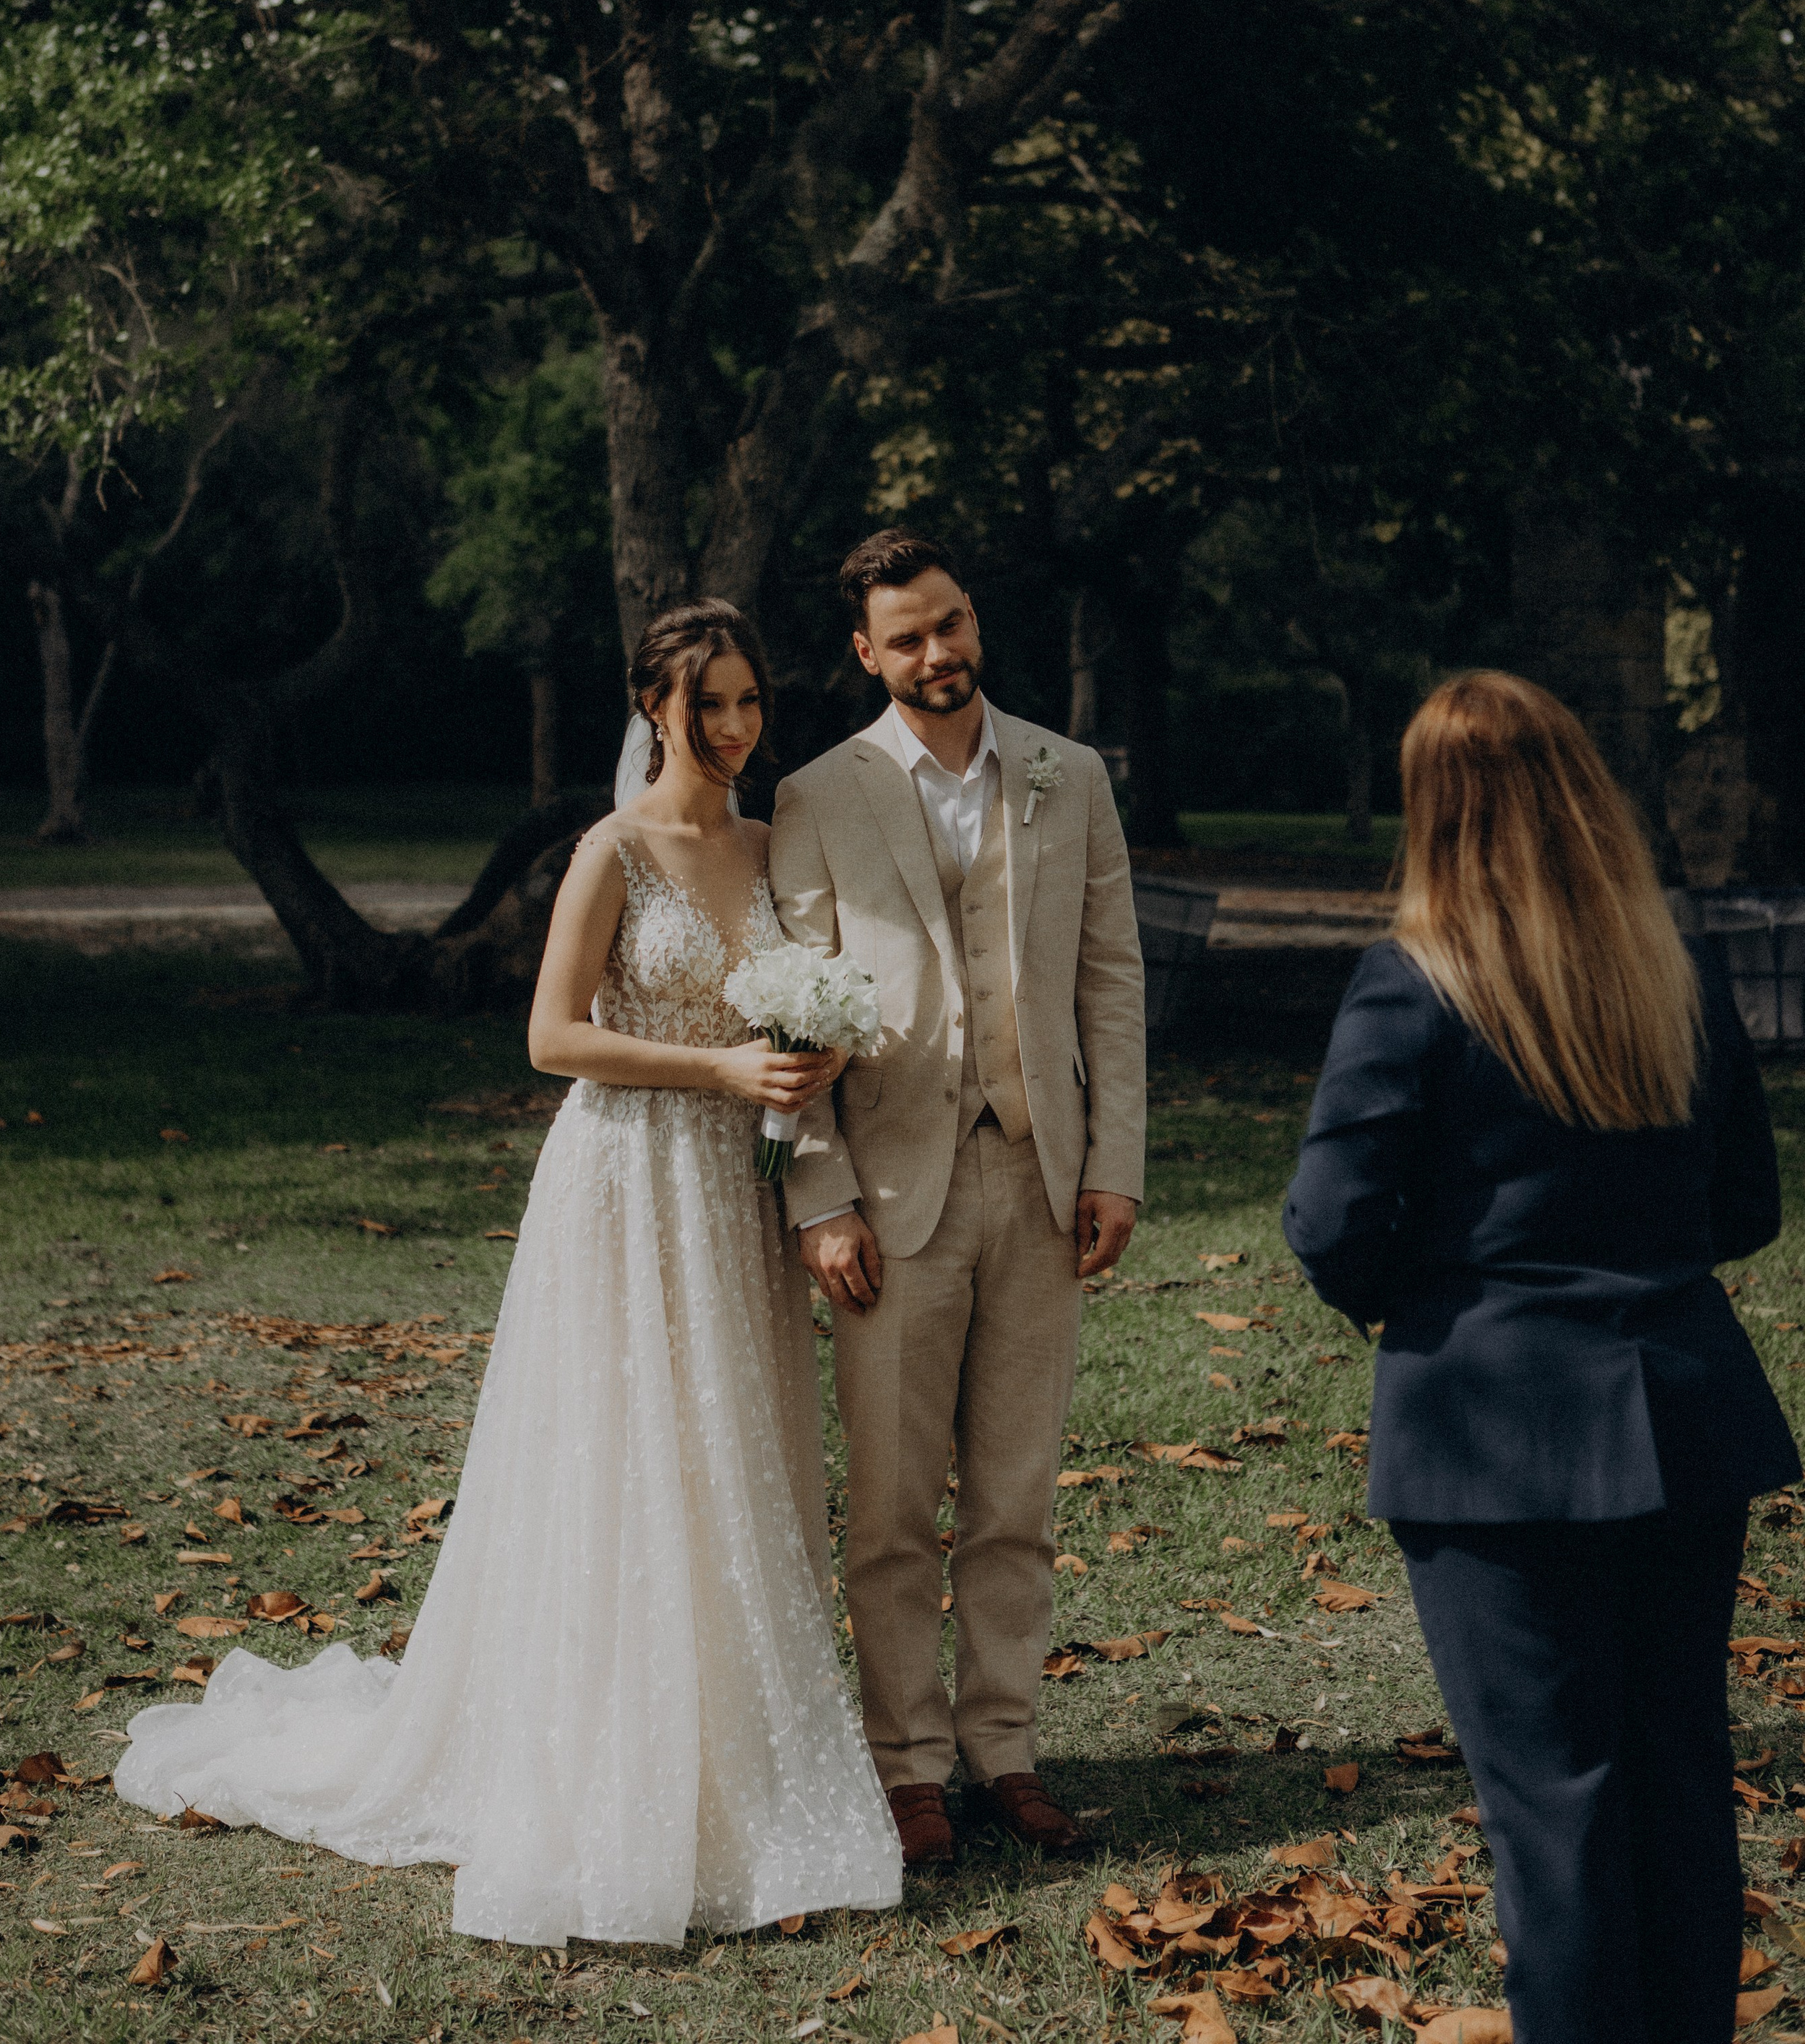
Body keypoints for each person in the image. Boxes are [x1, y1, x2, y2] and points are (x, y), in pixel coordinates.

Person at [116, 600, 902, 1949]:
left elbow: (793, 1000)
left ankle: (735, 1758)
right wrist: (717, 1065)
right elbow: (549, 1037)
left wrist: (804, 1062)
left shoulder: (778, 849)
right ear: (653, 708)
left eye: (750, 702)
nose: (733, 728)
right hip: (625, 1181)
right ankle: (608, 1765)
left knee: (736, 1461)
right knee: (629, 1463)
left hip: (735, 1191)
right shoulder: (611, 850)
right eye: (707, 703)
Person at [1283, 670, 1798, 2044]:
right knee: (1679, 1782)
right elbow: (1748, 1203)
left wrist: (1444, 1305)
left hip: (1491, 1435)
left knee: (1553, 1808)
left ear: (1434, 811)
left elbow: (1331, 1225)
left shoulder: (1413, 984)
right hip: (1684, 1415)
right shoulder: (1667, 963)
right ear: (1584, 791)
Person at [770, 529, 1148, 1869]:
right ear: (867, 656)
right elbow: (793, 1010)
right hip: (888, 1190)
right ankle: (906, 1766)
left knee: (1015, 1494)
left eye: (954, 623)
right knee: (888, 1504)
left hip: (1042, 1182)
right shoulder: (819, 794)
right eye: (909, 637)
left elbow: (1110, 978)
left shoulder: (1069, 774)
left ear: (974, 621)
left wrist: (1112, 1165)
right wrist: (819, 1199)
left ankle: (1006, 1750)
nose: (941, 653)